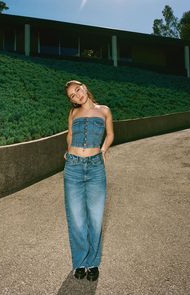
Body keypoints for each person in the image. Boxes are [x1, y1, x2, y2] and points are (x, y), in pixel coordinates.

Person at [63, 80, 114, 281]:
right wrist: (68, 152)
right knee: (76, 219)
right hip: (73, 168)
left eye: (77, 90)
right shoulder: (73, 113)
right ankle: (80, 262)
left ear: (84, 87)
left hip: (95, 168)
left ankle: (93, 263)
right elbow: (69, 134)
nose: (77, 96)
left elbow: (110, 135)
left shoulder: (104, 110)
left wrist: (102, 150)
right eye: (72, 96)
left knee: (95, 218)